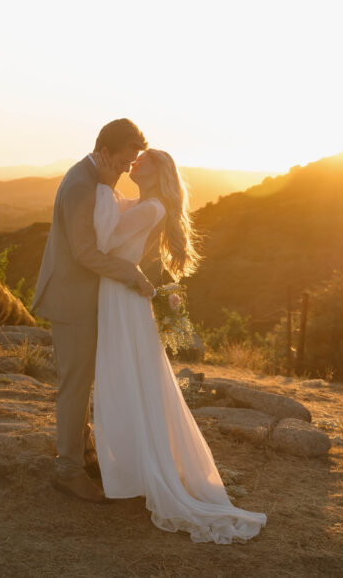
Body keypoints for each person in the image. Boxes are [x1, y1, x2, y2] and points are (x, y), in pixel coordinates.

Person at [90, 148, 266, 543]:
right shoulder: (142, 202)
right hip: (120, 294)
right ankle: (132, 466)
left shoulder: (151, 208)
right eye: (133, 158)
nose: (134, 162)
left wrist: (102, 186)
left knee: (128, 379)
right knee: (129, 379)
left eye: (143, 159)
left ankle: (142, 469)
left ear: (160, 171)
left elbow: (107, 239)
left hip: (121, 297)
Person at [32, 119, 157, 503]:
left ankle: (84, 453)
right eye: (124, 160)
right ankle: (67, 470)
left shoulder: (95, 179)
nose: (127, 167)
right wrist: (130, 274)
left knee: (83, 381)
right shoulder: (81, 185)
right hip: (71, 300)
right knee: (74, 387)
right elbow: (87, 252)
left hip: (84, 298)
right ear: (105, 152)